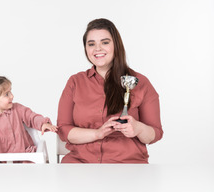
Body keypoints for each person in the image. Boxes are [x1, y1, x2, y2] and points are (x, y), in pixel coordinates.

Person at [57, 18, 163, 163]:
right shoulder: (75, 82)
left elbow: (155, 133)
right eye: (91, 44)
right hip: (80, 165)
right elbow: (63, 130)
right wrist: (97, 134)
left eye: (105, 42)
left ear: (116, 45)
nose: (97, 49)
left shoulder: (140, 82)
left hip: (127, 167)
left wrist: (138, 128)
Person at [0, 71, 57, 162]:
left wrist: (43, 123)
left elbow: (32, 117)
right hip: (1, 162)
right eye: (6, 94)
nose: (12, 96)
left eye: (10, 91)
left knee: (32, 167)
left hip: (24, 155)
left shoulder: (17, 109)